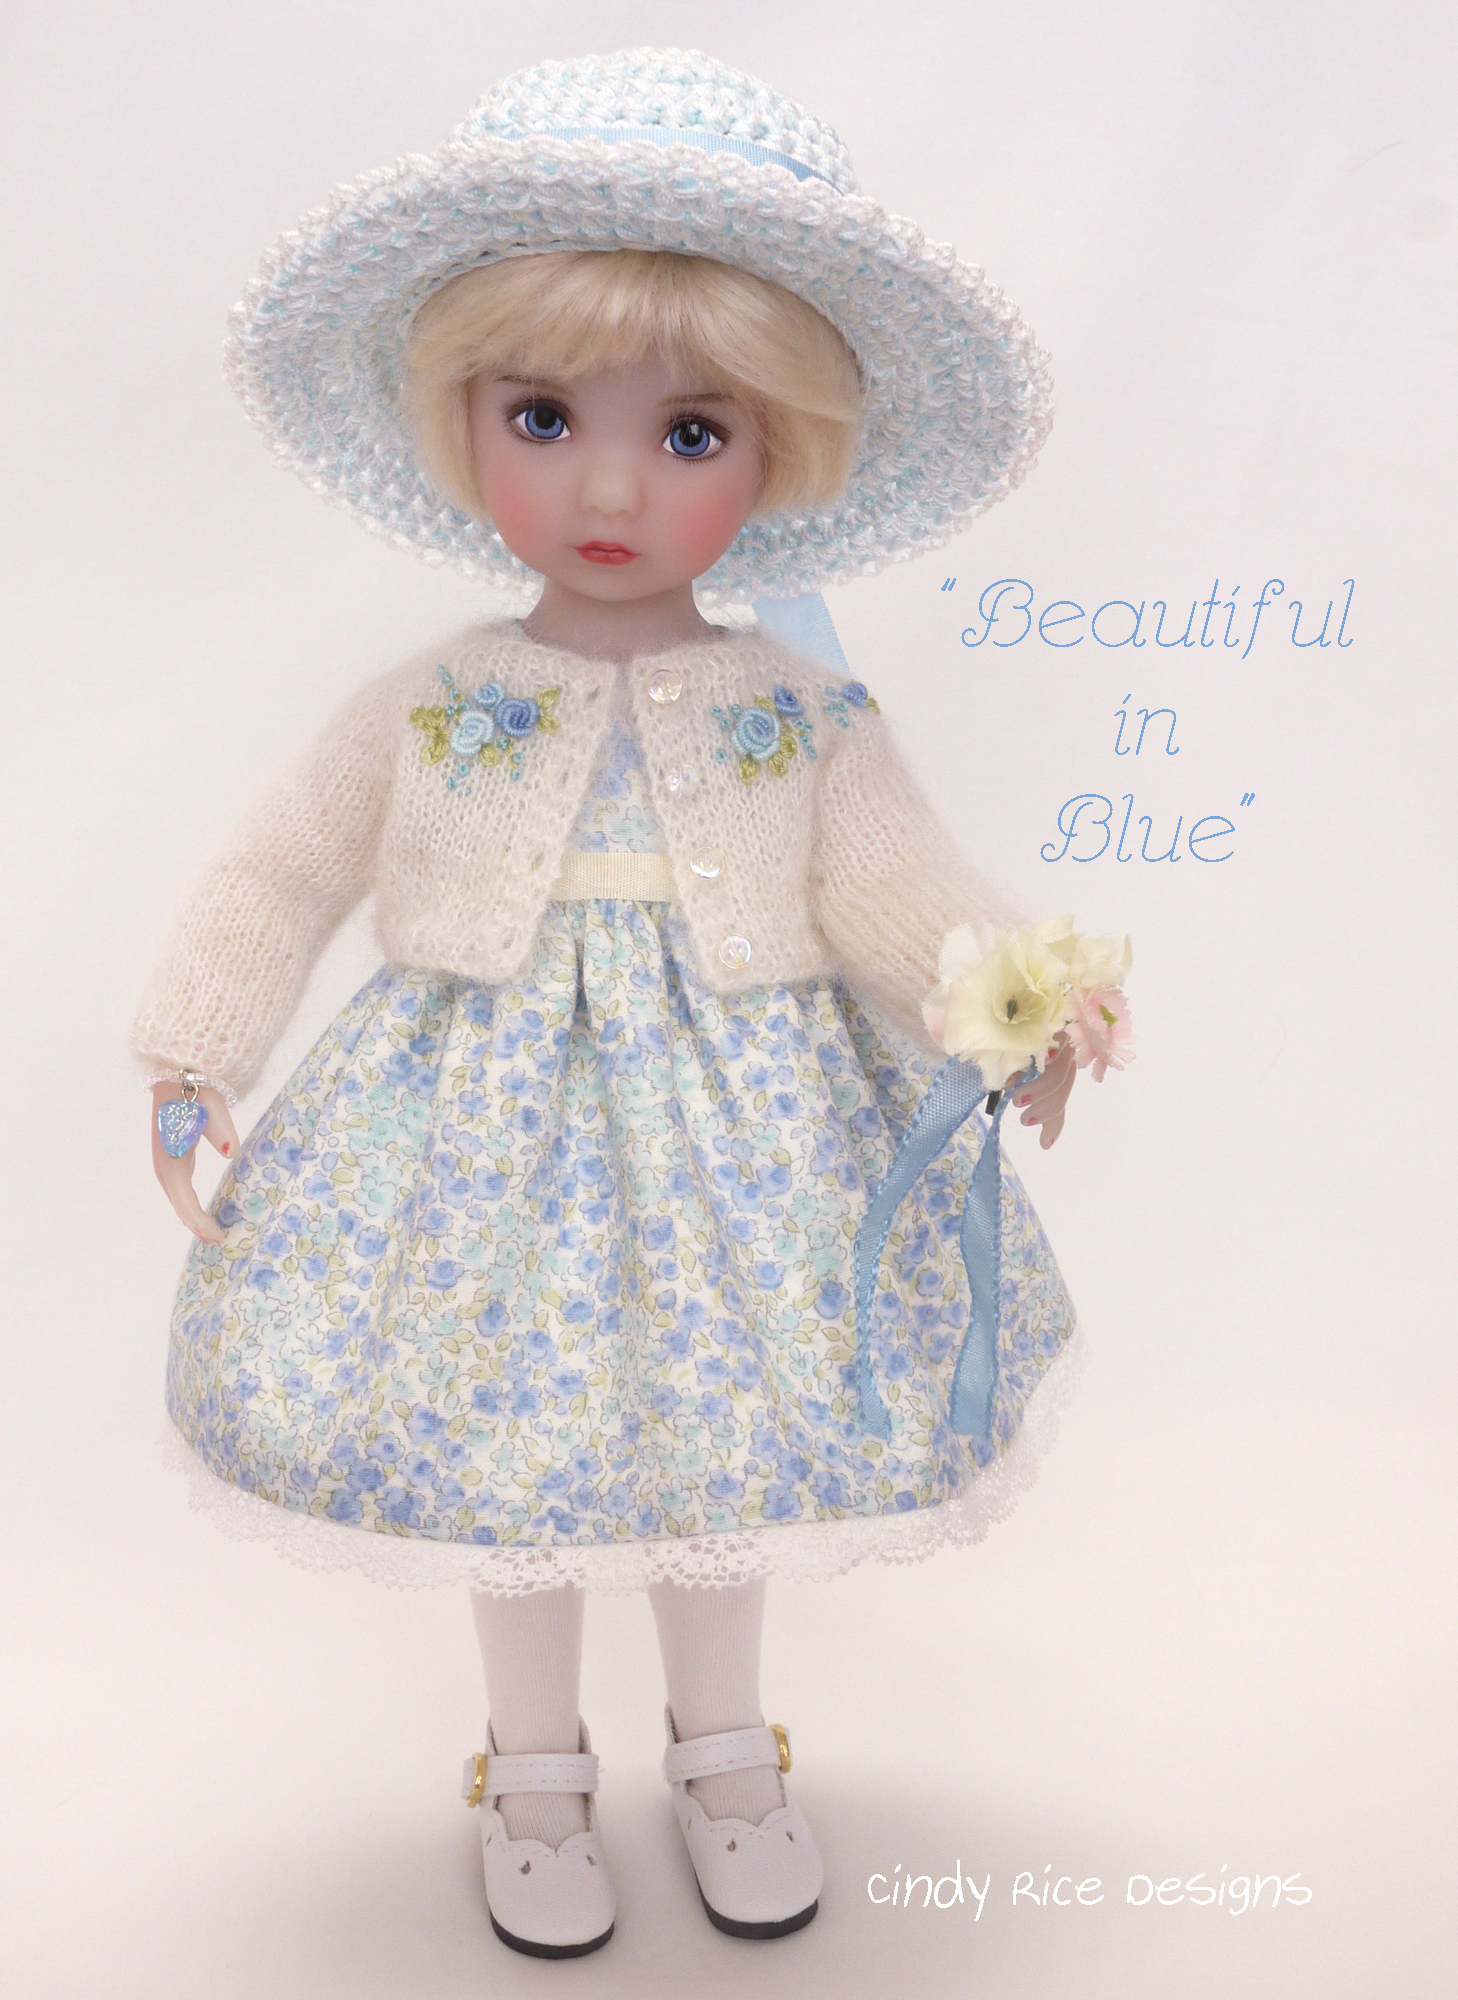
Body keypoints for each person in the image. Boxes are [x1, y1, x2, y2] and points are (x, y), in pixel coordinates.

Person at [134, 47, 1078, 1960]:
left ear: (778, 456)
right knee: (510, 1452)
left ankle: (726, 1750)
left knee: (727, 1449)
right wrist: (193, 1053)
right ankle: (533, 1768)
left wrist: (1012, 1006)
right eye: (544, 417)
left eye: (693, 433)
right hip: (475, 1129)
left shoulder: (799, 711)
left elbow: (893, 891)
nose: (612, 485)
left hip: (745, 1132)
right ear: (460, 423)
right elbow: (280, 868)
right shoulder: (435, 701)